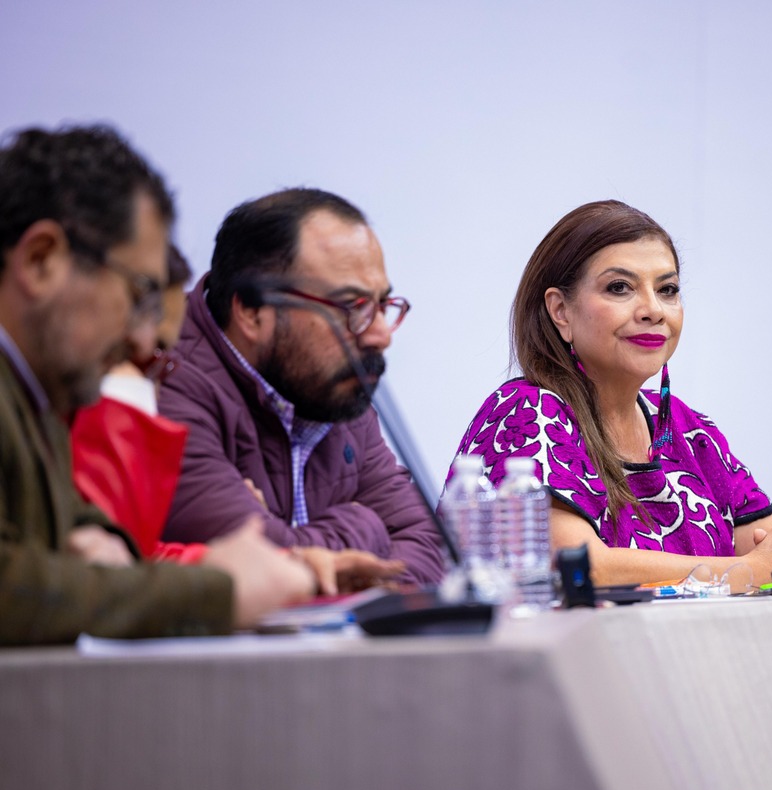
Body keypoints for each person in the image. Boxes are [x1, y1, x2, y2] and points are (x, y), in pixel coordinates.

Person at [0, 124, 315, 644]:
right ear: (40, 260)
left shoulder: (38, 398)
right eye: (140, 292)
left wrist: (100, 539)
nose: (144, 343)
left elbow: (76, 522)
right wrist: (212, 592)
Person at [450, 200, 772, 587]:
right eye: (620, 287)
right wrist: (747, 572)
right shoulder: (528, 412)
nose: (653, 309)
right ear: (560, 312)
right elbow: (581, 569)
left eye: (668, 289)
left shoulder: (689, 430)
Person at [71, 245, 403, 594]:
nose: (155, 388)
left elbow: (140, 560)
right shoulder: (114, 412)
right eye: (143, 360)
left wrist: (295, 563)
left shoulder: (343, 399)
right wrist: (364, 524)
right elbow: (109, 578)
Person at [158, 189, 445, 584]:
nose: (380, 334)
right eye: (351, 307)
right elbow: (263, 574)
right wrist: (365, 524)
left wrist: (311, 560)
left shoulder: (330, 386)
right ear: (252, 312)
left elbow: (426, 542)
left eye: (381, 305)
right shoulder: (167, 385)